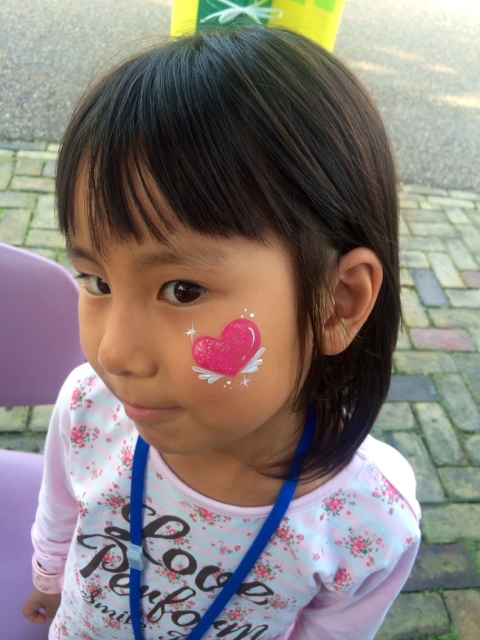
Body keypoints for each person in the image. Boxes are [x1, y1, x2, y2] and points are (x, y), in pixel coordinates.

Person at [22, 25, 420, 640]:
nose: (113, 353)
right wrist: (48, 575)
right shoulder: (89, 409)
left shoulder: (367, 521)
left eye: (183, 290)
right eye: (97, 281)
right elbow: (61, 506)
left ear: (336, 303)